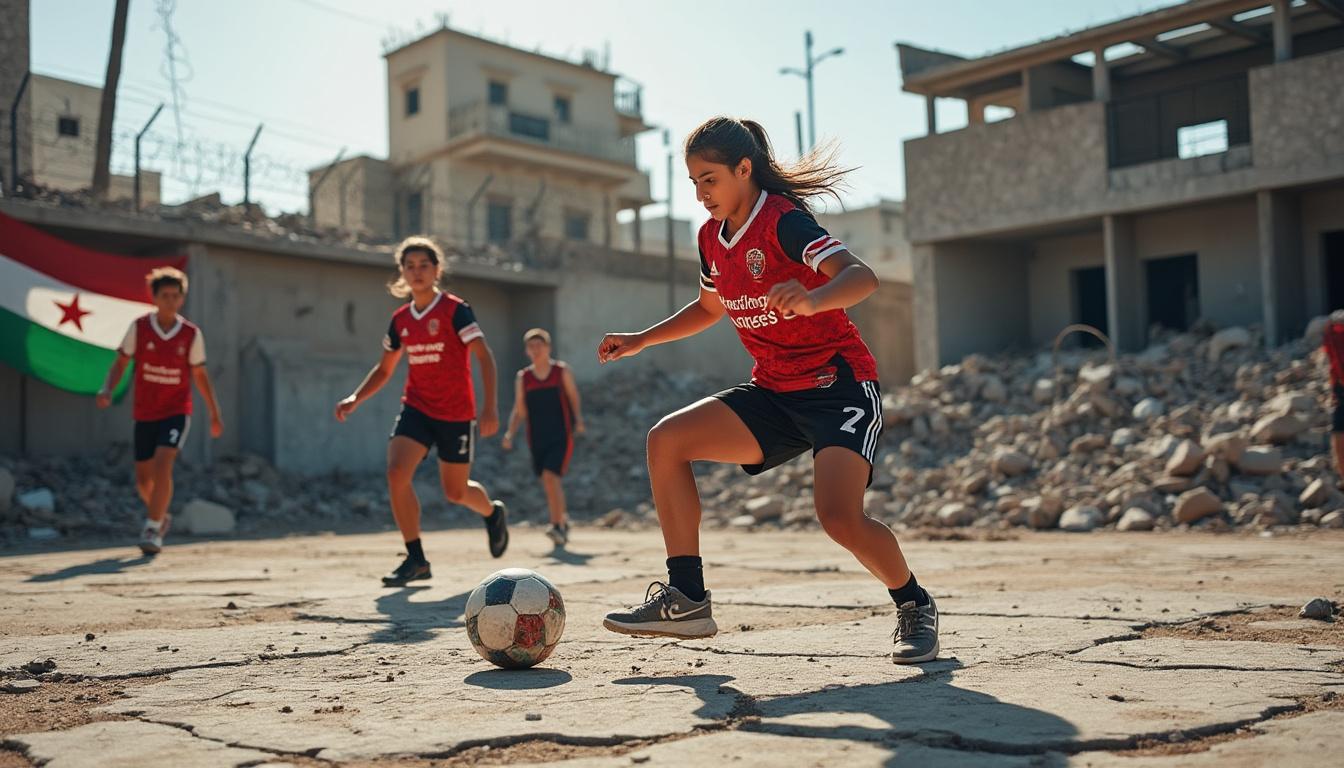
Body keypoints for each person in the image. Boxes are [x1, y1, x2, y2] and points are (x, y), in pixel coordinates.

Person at [595, 116, 938, 663]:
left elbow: (861, 277)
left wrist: (812, 297)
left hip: (837, 388)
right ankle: (687, 599)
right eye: (693, 183)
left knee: (839, 518)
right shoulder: (711, 239)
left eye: (710, 178)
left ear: (744, 169)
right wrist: (641, 339)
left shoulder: (783, 222)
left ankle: (914, 604)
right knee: (666, 441)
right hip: (774, 392)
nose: (701, 193)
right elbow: (710, 308)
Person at [334, 236, 509, 587]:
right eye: (409, 266)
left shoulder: (455, 309)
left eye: (423, 265)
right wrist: (356, 398)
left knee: (455, 492)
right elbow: (384, 369)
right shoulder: (400, 320)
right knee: (397, 472)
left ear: (437, 270)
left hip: (456, 412)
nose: (416, 272)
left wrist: (489, 407)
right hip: (416, 407)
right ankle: (416, 559)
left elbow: (484, 356)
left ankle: (492, 512)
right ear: (401, 272)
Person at [96, 267, 224, 555]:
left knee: (164, 463)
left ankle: (152, 528)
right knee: (143, 478)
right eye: (164, 295)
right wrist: (107, 388)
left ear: (182, 299)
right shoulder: (139, 328)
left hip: (176, 411)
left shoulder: (191, 334)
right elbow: (120, 363)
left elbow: (201, 376)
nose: (170, 300)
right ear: (154, 297)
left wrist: (215, 413)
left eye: (175, 296)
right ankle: (161, 514)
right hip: (145, 412)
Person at [502, 328, 585, 547]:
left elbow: (573, 397)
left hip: (561, 435)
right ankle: (563, 521)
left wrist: (579, 420)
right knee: (548, 482)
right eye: (531, 346)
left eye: (540, 345)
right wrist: (510, 432)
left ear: (548, 348)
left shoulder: (561, 372)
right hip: (536, 438)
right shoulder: (524, 378)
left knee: (551, 477)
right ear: (527, 351)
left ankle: (556, 526)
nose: (535, 350)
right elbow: (519, 409)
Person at [1322, 310, 1344, 482]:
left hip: (1339, 389)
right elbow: (1333, 366)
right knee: (1338, 434)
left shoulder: (1333, 332)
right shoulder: (1334, 333)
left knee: (1338, 434)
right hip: (1340, 390)